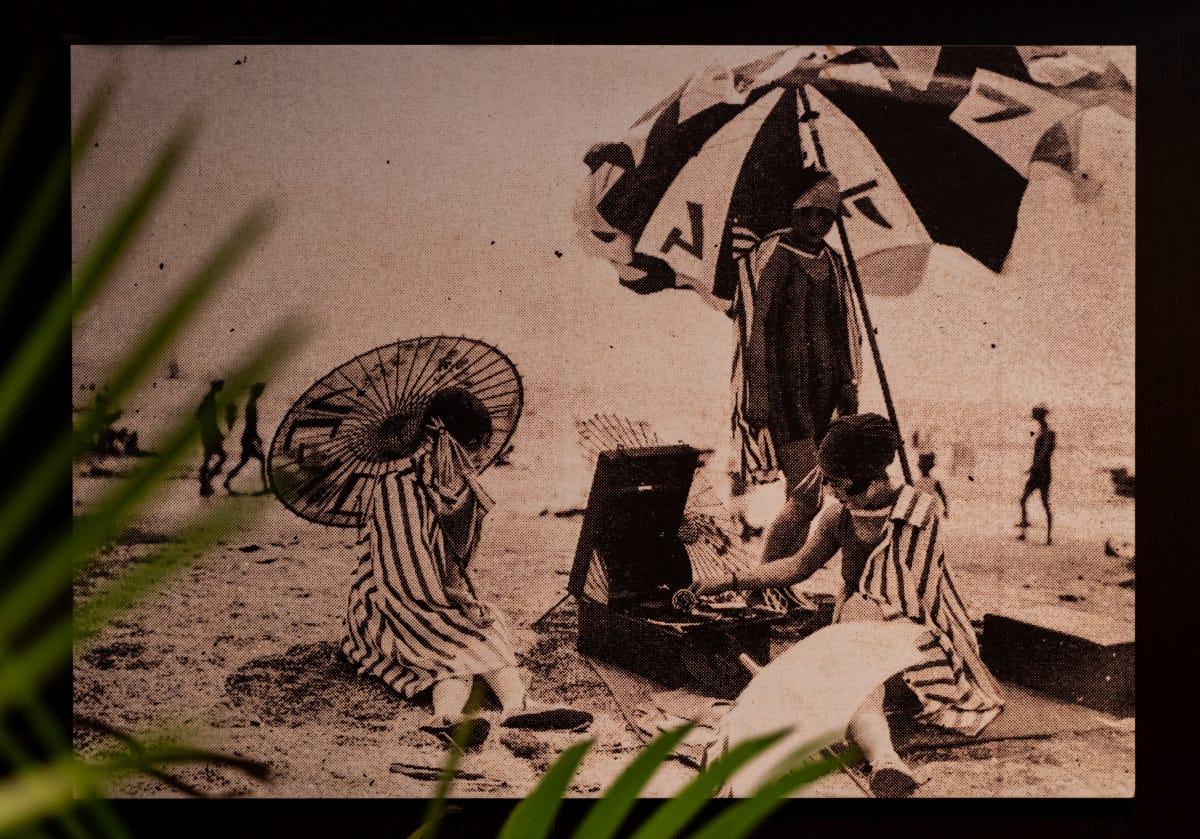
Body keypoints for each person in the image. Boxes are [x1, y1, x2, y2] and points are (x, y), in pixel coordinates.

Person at [691, 414, 1003, 797]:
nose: (833, 492)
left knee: (844, 676)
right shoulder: (839, 515)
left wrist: (861, 616)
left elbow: (911, 594)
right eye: (830, 482)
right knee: (845, 684)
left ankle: (882, 757)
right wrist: (732, 579)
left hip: (922, 640)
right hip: (860, 636)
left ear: (873, 478)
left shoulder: (921, 512)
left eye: (839, 484)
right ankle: (886, 762)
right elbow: (799, 565)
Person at [342, 390, 591, 751]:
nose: (475, 457)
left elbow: (452, 561)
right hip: (385, 599)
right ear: (441, 438)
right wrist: (454, 603)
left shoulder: (452, 484)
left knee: (483, 624)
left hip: (435, 591)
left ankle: (517, 705)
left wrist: (457, 596)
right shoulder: (393, 488)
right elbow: (402, 573)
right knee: (448, 637)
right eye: (471, 446)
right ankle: (445, 716)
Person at [733, 170, 862, 565]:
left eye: (825, 216)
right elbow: (755, 326)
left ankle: (775, 581)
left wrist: (848, 383)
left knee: (810, 495)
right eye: (807, 213)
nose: (815, 224)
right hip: (785, 391)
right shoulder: (773, 253)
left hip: (824, 393)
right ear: (793, 210)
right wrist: (757, 393)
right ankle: (766, 580)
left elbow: (844, 327)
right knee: (806, 494)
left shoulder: (835, 261)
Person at [1018, 403, 1056, 545]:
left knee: (1039, 503)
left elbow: (1044, 452)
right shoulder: (1045, 431)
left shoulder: (1047, 432)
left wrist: (1034, 466)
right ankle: (1045, 536)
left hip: (1041, 472)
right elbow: (1043, 452)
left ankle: (1046, 536)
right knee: (1036, 502)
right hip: (1041, 471)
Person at [224, 382, 268, 495]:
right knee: (261, 460)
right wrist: (256, 437)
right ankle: (265, 487)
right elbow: (251, 425)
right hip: (249, 437)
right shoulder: (251, 405)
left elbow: (251, 425)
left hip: (247, 437)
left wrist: (256, 437)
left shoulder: (251, 404)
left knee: (243, 462)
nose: (261, 394)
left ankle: (227, 481)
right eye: (260, 392)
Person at [196, 380, 227, 497]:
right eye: (221, 387)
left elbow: (200, 416)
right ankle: (208, 478)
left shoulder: (208, 399)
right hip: (210, 433)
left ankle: (205, 480)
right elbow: (211, 420)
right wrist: (217, 433)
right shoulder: (210, 401)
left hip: (206, 433)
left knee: (208, 457)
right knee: (223, 456)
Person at [914, 451, 949, 518]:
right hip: (920, 512)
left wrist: (945, 509)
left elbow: (943, 496)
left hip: (930, 512)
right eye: (922, 465)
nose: (923, 468)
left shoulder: (934, 482)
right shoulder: (917, 482)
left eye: (925, 466)